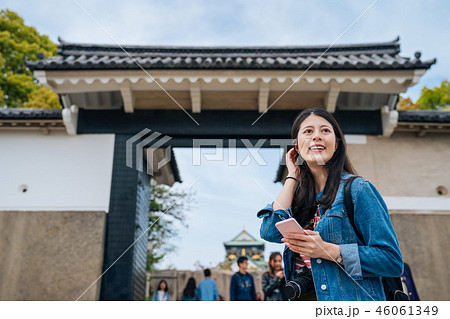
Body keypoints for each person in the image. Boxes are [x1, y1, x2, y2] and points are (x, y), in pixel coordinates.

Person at [257, 107, 403, 301]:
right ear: (297, 147)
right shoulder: (300, 199)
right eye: (308, 131)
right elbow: (269, 231)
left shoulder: (358, 190)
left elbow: (391, 260)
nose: (317, 136)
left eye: (325, 130)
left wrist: (329, 250)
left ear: (336, 145)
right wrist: (292, 175)